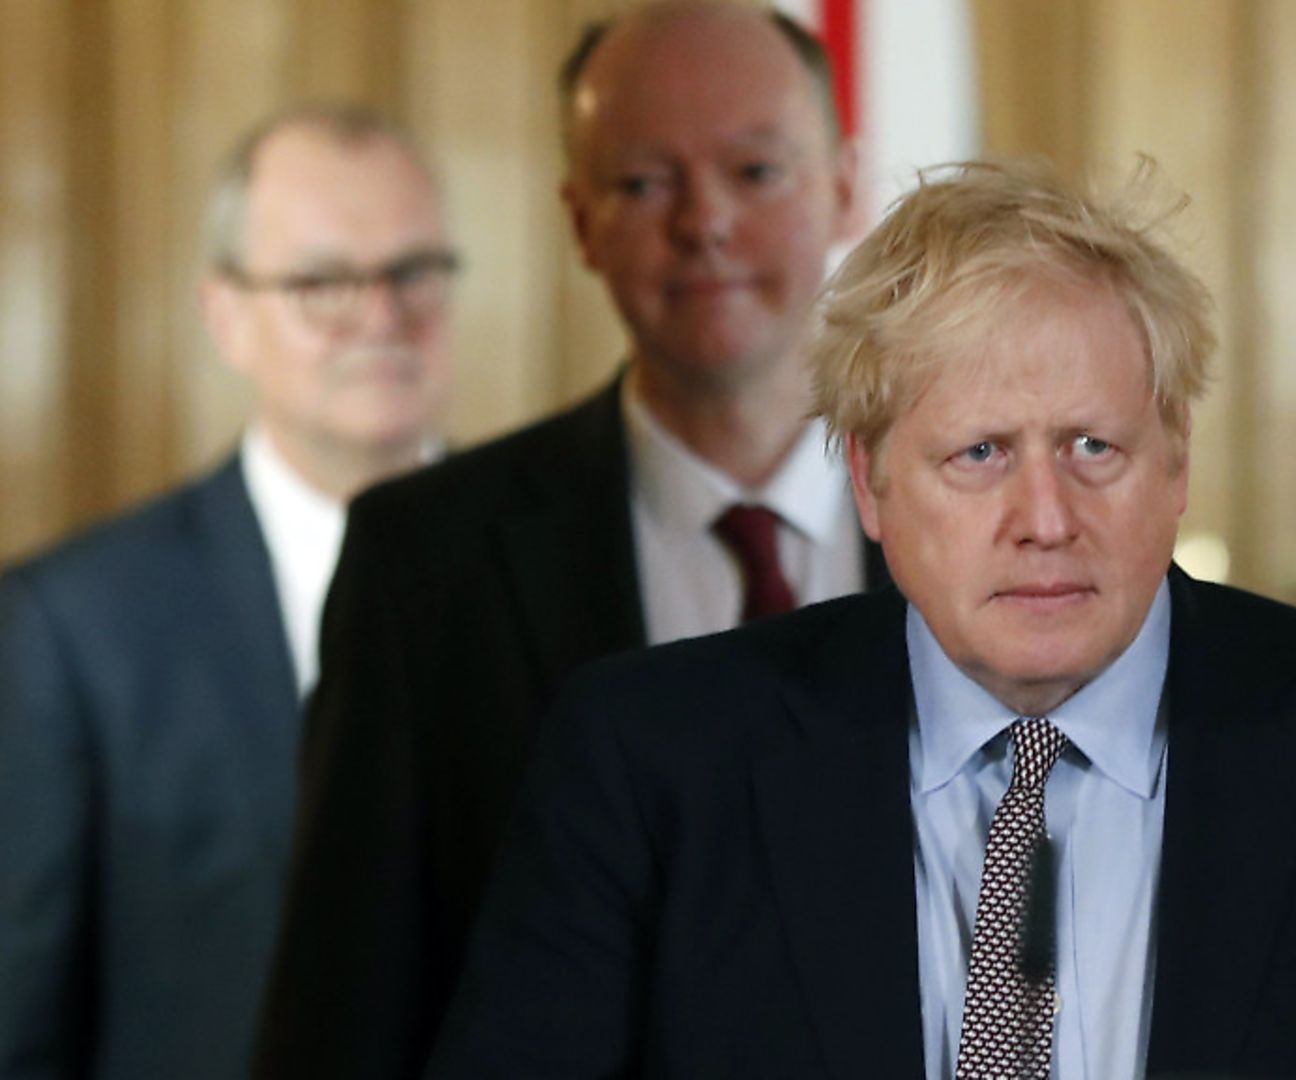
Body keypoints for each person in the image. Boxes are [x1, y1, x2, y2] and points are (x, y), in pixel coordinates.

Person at [426, 159, 1296, 1079]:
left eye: (1096, 447)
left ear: (1177, 464)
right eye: (980, 454)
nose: (1046, 517)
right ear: (873, 486)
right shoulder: (652, 758)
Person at [251, 5, 885, 1077]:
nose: (705, 223)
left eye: (756, 170)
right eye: (645, 183)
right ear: (580, 219)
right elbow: (338, 1021)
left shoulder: (988, 525)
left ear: (843, 189)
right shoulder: (423, 566)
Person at [0, 104, 456, 1080]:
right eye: (322, 282)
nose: (381, 318)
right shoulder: (73, 626)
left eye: (415, 271)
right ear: (226, 316)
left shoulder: (561, 566)